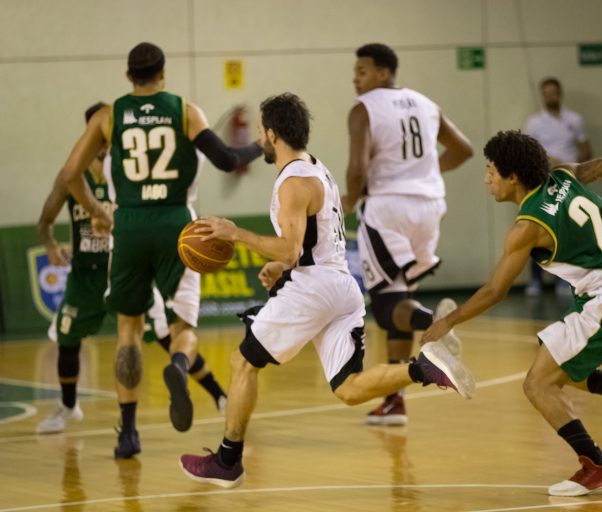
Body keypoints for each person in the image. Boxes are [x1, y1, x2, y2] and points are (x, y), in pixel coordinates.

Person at [179, 93, 475, 489]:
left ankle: (227, 461)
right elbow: (307, 245)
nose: (260, 141)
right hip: (342, 287)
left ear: (272, 135)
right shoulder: (318, 169)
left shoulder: (292, 183)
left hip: (314, 289)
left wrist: (237, 234)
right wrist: (281, 266)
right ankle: (425, 368)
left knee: (243, 362)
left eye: (262, 134)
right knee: (348, 388)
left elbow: (291, 248)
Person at [423, 130, 602, 496]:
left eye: (491, 171)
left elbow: (496, 290)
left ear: (512, 177)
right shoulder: (563, 175)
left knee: (537, 384)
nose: (486, 179)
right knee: (552, 361)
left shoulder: (528, 227)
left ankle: (596, 466)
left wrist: (448, 321)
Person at [58, 42, 263, 457]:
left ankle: (128, 433)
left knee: (128, 330)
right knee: (182, 327)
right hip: (176, 226)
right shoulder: (185, 111)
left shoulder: (109, 115)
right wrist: (261, 145)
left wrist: (98, 211)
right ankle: (179, 365)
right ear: (163, 73)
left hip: (129, 225)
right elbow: (226, 159)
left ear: (128, 76)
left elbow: (69, 174)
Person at [36, 103, 228, 434]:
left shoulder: (127, 170)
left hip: (126, 268)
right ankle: (68, 408)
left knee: (169, 337)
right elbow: (45, 221)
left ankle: (219, 395)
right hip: (85, 274)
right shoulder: (73, 176)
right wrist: (51, 245)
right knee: (67, 338)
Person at [341, 43, 473, 426]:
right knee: (399, 302)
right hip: (429, 206)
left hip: (388, 208)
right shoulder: (426, 103)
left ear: (383, 72)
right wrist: (422, 175)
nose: (355, 79)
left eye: (362, 71)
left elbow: (356, 167)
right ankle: (394, 401)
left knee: (386, 308)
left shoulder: (363, 109)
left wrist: (349, 198)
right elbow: (463, 149)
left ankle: (435, 322)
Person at [523, 77, 592, 297]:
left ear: (560, 93)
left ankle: (564, 280)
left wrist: (579, 168)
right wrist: (549, 161)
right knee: (539, 229)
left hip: (568, 181)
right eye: (547, 93)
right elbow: (527, 153)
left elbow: (585, 148)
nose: (551, 96)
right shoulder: (534, 123)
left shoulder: (574, 119)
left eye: (554, 92)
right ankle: (536, 279)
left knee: (566, 231)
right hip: (543, 182)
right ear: (542, 95)